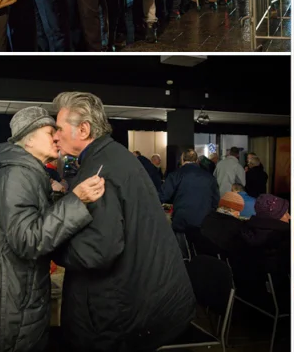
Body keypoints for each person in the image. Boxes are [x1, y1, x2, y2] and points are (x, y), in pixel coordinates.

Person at [0, 106, 105, 352]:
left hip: (2, 293)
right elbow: (28, 239)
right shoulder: (16, 174)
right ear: (29, 138)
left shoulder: (25, 173)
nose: (57, 137)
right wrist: (76, 201)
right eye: (50, 132)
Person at [51, 91, 194, 352]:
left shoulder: (99, 170)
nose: (55, 135)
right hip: (145, 298)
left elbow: (97, 251)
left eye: (59, 129)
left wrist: (53, 245)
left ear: (83, 129)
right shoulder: (113, 156)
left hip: (126, 308)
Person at [160, 148, 220, 241]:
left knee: (182, 252)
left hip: (181, 222)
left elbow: (162, 196)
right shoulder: (209, 177)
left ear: (182, 160)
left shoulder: (175, 175)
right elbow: (215, 201)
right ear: (196, 161)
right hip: (203, 223)